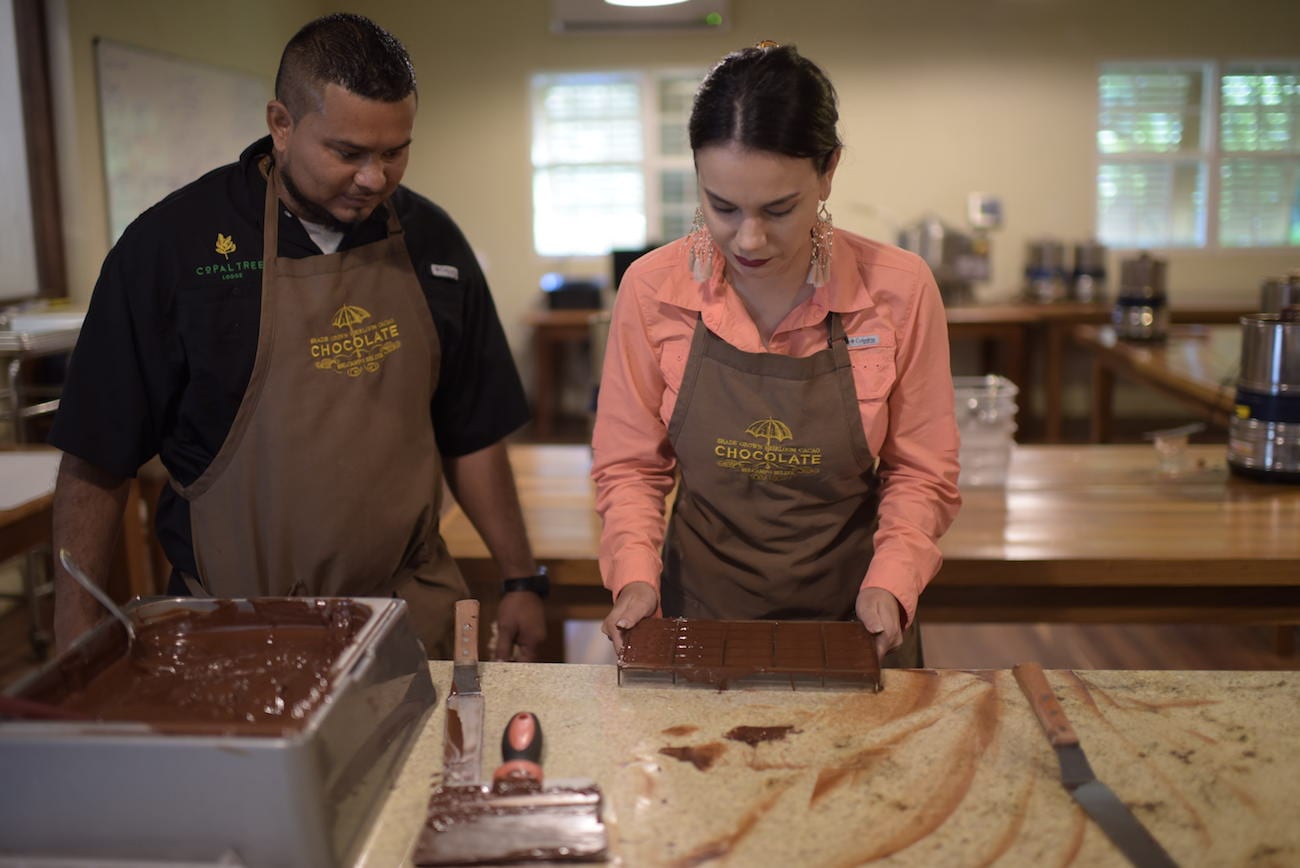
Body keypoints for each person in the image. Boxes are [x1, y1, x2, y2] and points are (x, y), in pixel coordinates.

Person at [49, 13, 548, 661]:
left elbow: (473, 428)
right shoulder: (172, 251)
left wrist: (519, 577)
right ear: (281, 125)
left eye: (394, 151)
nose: (375, 177)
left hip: (406, 620)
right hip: (235, 633)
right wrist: (75, 628)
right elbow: (97, 453)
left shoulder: (430, 241)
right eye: (348, 153)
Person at [592, 42, 961, 666]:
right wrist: (633, 577)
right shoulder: (654, 290)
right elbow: (631, 466)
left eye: (779, 209)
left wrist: (891, 584)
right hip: (695, 614)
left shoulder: (897, 289)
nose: (750, 239)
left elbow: (922, 470)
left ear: (828, 170)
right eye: (722, 207)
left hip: (854, 617)